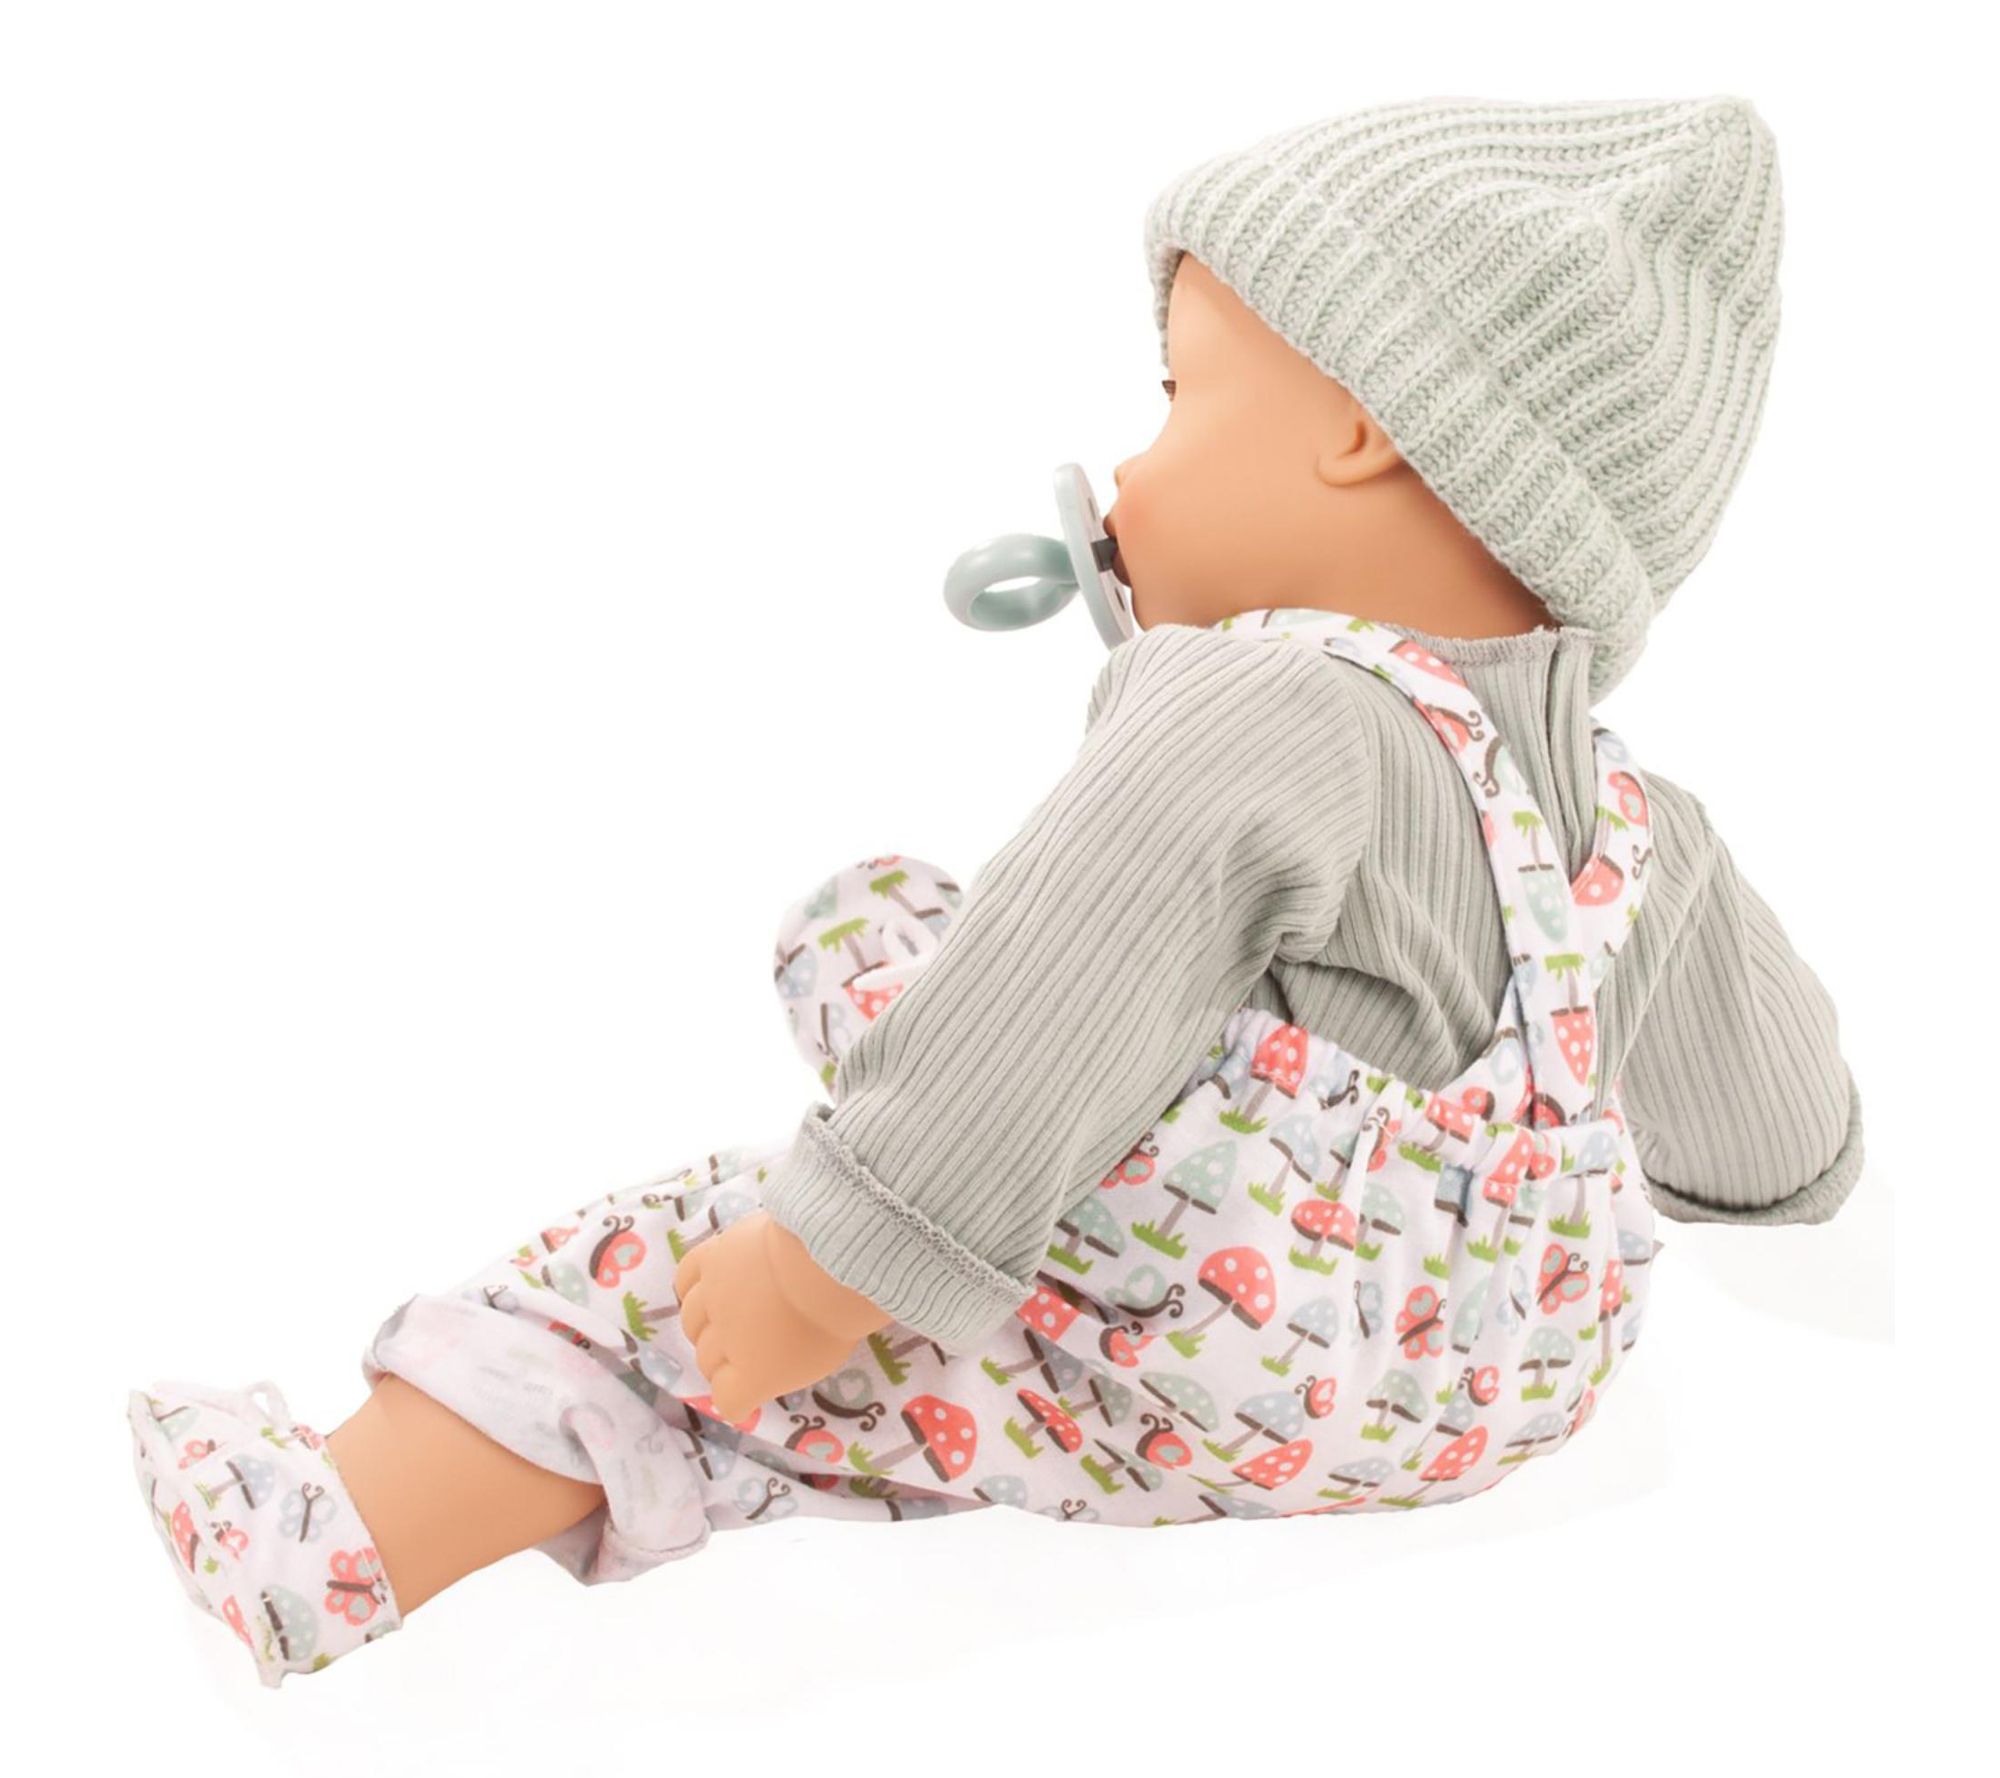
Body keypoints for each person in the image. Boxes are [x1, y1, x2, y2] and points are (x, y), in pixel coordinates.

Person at [125, 94, 1861, 1688]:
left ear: (1358, 429)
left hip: (1211, 1347)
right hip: (1492, 1387)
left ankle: (332, 1530)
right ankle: (835, 1276)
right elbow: (1783, 1141)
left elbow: (1062, 986)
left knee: (686, 1268)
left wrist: (829, 1254)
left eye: (1182, 401)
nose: (1133, 470)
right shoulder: (1637, 824)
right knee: (888, 1020)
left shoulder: (1255, 704)